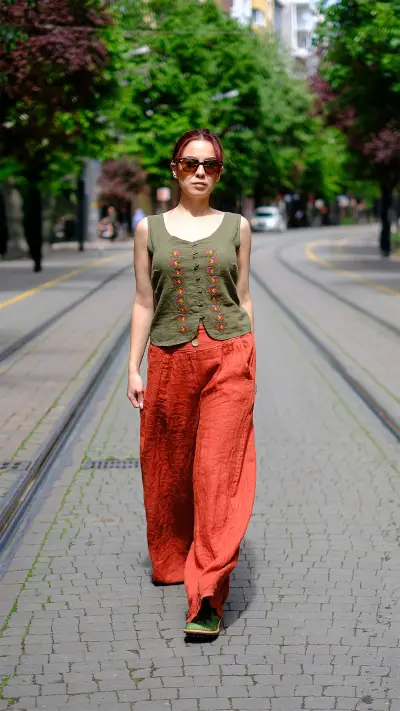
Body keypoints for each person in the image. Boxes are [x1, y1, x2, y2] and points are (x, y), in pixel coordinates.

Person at [127, 128, 256, 639]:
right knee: (170, 467)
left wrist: (250, 356)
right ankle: (172, 557)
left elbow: (243, 295)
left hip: (230, 358)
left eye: (211, 165)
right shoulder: (148, 230)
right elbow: (143, 300)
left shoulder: (239, 227)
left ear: (219, 172)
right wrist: (132, 366)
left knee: (217, 473)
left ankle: (207, 595)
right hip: (170, 358)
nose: (201, 171)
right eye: (191, 163)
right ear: (175, 168)